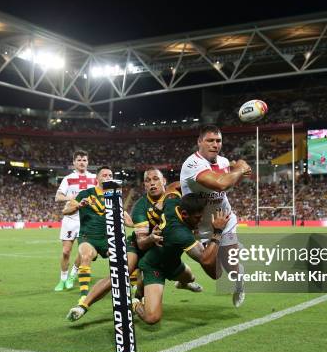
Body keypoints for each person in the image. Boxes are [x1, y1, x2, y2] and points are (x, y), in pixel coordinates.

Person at [65, 168, 195, 322]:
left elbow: (187, 182)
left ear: (164, 181)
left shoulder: (176, 198)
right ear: (144, 185)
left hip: (164, 252)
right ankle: (83, 305)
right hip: (140, 245)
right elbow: (141, 243)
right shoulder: (140, 207)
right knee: (121, 272)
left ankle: (177, 285)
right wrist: (151, 238)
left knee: (190, 277)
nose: (152, 183)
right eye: (148, 181)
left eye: (155, 179)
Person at [180, 125, 251, 307]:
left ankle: (239, 281)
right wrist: (240, 168)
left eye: (218, 141)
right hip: (199, 229)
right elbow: (220, 184)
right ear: (199, 142)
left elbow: (228, 184)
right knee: (215, 274)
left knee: (232, 270)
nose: (215, 144)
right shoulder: (192, 164)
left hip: (224, 221)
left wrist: (238, 171)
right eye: (210, 140)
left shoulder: (224, 162)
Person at [133, 194, 229, 324]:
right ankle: (135, 303)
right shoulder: (180, 233)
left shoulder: (173, 203)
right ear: (184, 214)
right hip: (154, 267)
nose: (200, 221)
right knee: (152, 318)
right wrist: (217, 231)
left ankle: (179, 283)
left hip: (172, 262)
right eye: (197, 218)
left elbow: (171, 190)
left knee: (191, 278)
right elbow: (206, 260)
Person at [63, 166, 132, 305]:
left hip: (108, 239)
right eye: (104, 175)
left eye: (110, 175)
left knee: (125, 258)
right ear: (97, 178)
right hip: (88, 237)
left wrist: (134, 224)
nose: (107, 177)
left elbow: (129, 222)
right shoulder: (85, 194)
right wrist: (78, 206)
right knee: (86, 255)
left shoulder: (114, 196)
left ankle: (132, 291)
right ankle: (84, 295)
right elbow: (66, 210)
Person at [54, 150, 97, 291]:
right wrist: (73, 199)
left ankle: (73, 275)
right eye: (79, 160)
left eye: (84, 160)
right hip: (70, 218)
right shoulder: (68, 179)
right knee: (66, 252)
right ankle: (63, 279)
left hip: (86, 220)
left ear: (88, 162)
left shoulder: (94, 179)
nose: (82, 162)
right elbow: (58, 197)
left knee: (82, 252)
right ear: (74, 163)